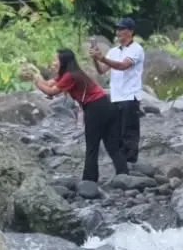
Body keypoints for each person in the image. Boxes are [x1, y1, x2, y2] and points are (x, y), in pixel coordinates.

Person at [19, 49, 127, 185]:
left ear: (63, 61)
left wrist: (35, 80)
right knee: (112, 144)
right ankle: (124, 175)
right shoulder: (69, 74)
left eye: (55, 60)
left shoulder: (70, 76)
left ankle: (89, 180)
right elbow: (49, 84)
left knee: (92, 144)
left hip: (95, 108)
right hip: (106, 105)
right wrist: (36, 75)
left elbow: (51, 92)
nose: (53, 63)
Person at [90, 17, 145, 164]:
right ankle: (121, 163)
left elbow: (123, 65)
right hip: (116, 97)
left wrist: (102, 58)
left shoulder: (136, 49)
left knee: (130, 131)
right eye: (118, 29)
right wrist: (95, 58)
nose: (118, 32)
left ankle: (131, 163)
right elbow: (102, 71)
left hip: (130, 96)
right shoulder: (113, 51)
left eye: (122, 29)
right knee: (116, 131)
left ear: (131, 32)